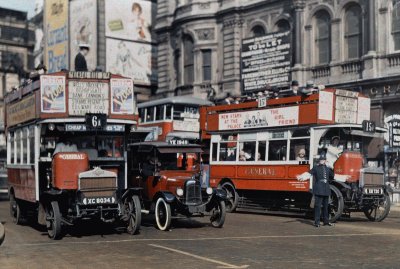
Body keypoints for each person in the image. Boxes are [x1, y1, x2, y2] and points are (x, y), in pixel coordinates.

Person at [297, 153, 335, 227]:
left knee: (326, 206)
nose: (322, 161)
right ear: (319, 161)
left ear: (325, 161)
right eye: (321, 160)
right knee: (317, 206)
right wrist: (301, 177)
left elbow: (333, 176)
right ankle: (317, 222)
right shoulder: (315, 168)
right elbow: (309, 173)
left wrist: (344, 177)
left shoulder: (328, 168)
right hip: (318, 188)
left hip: (326, 188)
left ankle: (326, 221)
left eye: (323, 160)